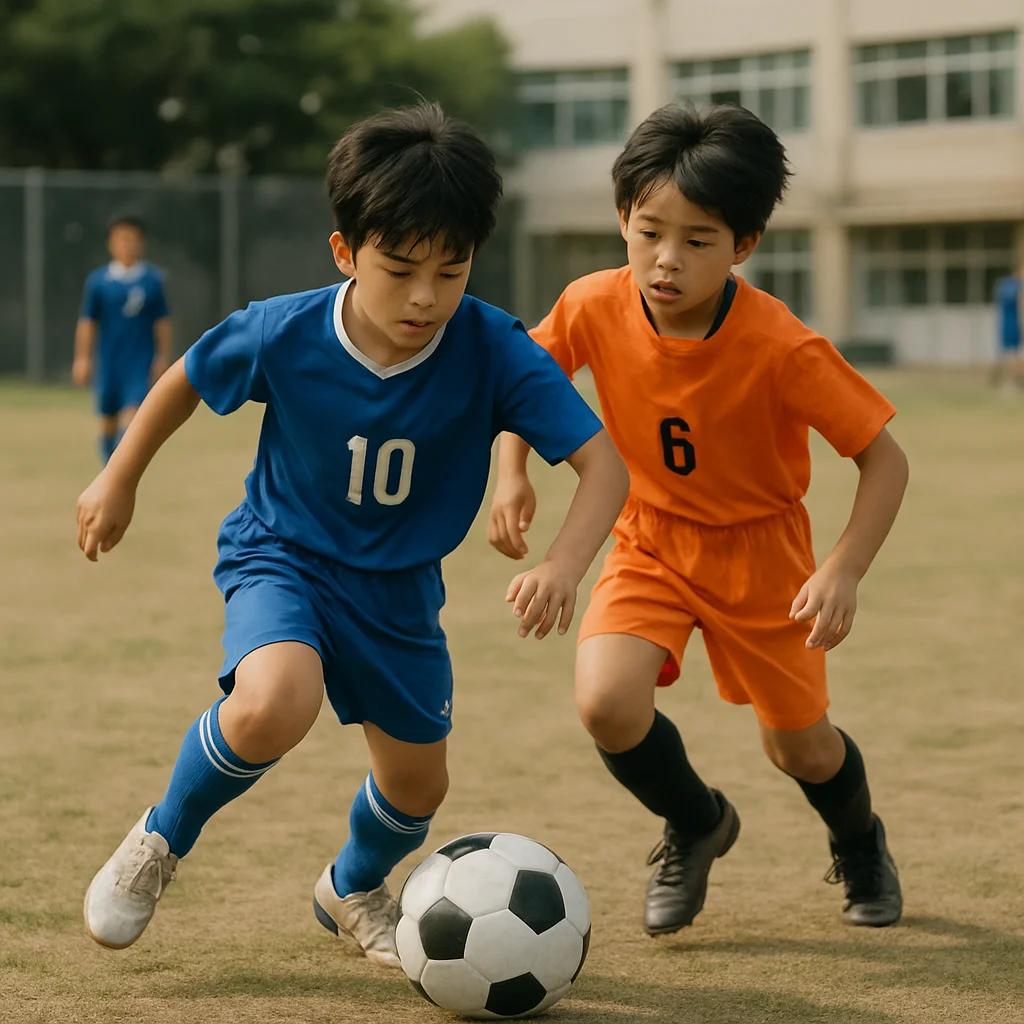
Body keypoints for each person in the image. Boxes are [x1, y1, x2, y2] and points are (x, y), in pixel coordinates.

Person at [75, 103, 628, 963]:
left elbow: (606, 466)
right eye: (400, 268)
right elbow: (187, 376)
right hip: (282, 555)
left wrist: (565, 562)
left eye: (451, 271)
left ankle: (350, 887)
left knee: (417, 786)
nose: (425, 296)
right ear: (346, 251)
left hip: (400, 590)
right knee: (272, 701)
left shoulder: (494, 348)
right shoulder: (285, 329)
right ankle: (158, 839)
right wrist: (119, 476)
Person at [489, 103, 909, 935]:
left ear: (745, 245)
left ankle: (859, 841)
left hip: (764, 557)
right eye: (649, 233)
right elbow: (521, 386)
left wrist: (844, 567)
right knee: (607, 703)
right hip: (649, 539)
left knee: (799, 747)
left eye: (698, 240)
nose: (666, 261)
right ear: (622, 220)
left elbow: (884, 459)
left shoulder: (780, 345)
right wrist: (510, 471)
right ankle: (696, 820)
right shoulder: (589, 303)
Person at [72, 215, 173, 463]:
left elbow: (162, 323)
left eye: (133, 239)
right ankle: (109, 467)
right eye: (122, 239)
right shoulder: (98, 282)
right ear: (111, 243)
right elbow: (87, 323)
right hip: (109, 362)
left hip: (139, 362)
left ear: (141, 244)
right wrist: (82, 359)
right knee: (107, 420)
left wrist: (162, 357)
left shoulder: (152, 281)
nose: (128, 245)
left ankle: (119, 469)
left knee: (133, 416)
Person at [992, 264, 1023, 391]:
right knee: (1010, 354)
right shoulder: (1009, 286)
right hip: (1009, 324)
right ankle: (1010, 382)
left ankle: (1005, 380)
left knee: (1012, 355)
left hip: (1017, 324)